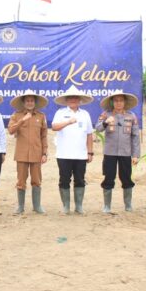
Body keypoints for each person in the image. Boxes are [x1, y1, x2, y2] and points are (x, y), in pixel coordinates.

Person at [95, 90, 140, 213]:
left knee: (126, 178)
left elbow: (135, 136)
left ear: (124, 102)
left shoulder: (131, 116)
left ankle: (128, 205)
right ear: (112, 102)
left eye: (121, 100)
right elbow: (97, 129)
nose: (118, 103)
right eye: (116, 100)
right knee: (108, 178)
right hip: (110, 153)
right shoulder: (106, 114)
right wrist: (105, 122)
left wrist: (136, 155)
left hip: (126, 153)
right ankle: (107, 206)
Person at [51, 85, 94, 215]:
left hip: (81, 154)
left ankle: (79, 206)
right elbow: (54, 127)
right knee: (64, 179)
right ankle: (66, 206)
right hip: (64, 154)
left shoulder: (85, 114)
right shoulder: (60, 113)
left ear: (79, 100)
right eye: (70, 98)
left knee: (80, 179)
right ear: (66, 100)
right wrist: (68, 122)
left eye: (75, 98)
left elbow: (89, 134)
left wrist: (90, 152)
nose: (73, 100)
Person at [8, 90, 48, 214]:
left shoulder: (41, 116)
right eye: (27, 101)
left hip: (37, 153)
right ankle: (20, 206)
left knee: (36, 180)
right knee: (21, 181)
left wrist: (45, 153)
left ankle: (37, 206)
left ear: (35, 103)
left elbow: (44, 136)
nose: (30, 103)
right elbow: (11, 130)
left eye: (32, 101)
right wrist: (22, 120)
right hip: (21, 153)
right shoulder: (16, 115)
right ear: (23, 102)